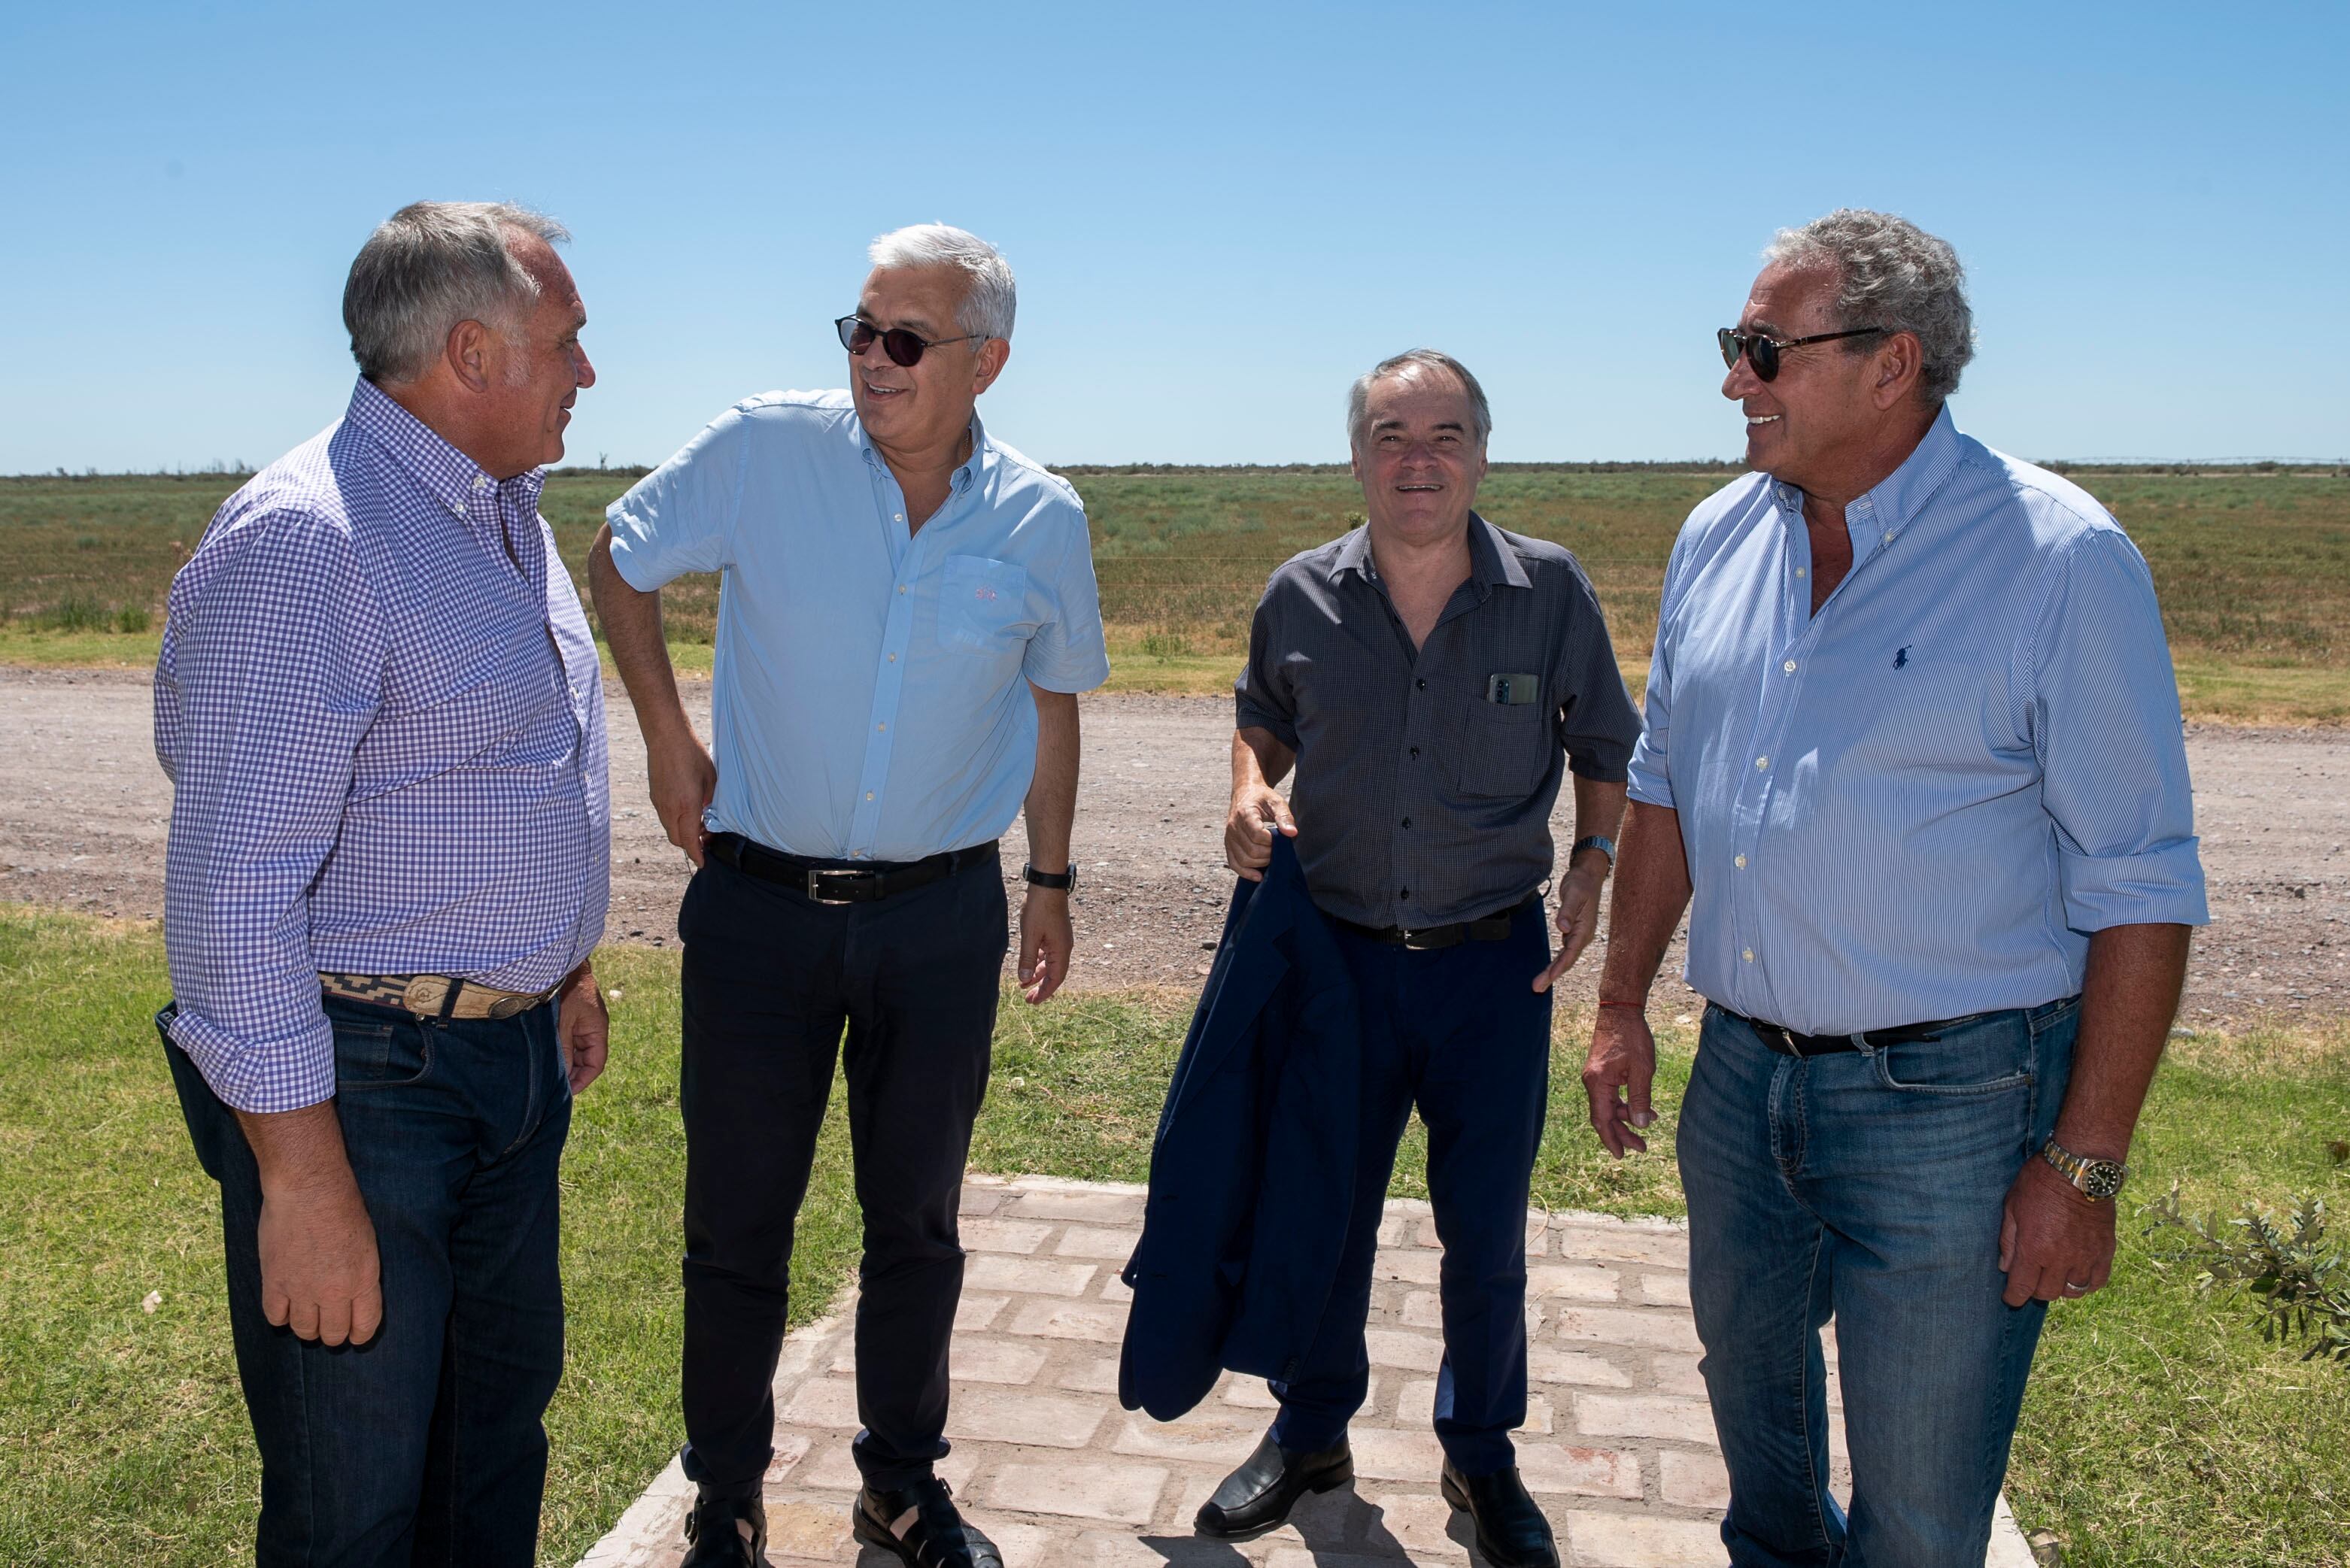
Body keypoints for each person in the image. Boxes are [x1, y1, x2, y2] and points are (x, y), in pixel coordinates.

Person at [1581, 209, 2208, 1567]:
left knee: (1922, 1521)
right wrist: (1622, 997)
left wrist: (2084, 1162)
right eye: (1734, 347)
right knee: (1765, 1473)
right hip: (1743, 1087)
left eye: (1763, 350)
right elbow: (1667, 785)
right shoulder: (1715, 537)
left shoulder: (2059, 558)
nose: (1733, 380)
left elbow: (2144, 881)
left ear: (1891, 364)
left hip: (1960, 1110)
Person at [589, 223, 1107, 1568]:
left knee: (917, 1224)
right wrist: (665, 733)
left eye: (907, 340)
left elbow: (1053, 711)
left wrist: (1048, 877)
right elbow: (622, 555)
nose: (873, 363)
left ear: (986, 360)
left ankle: (900, 1484)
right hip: (757, 915)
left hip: (940, 922)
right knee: (736, 1227)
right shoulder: (767, 449)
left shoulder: (1042, 518)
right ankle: (727, 1501)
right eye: (861, 331)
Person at [154, 199, 609, 1565]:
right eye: (568, 340)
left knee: (488, 1454)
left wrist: (561, 965)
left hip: (509, 1069)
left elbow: (500, 769)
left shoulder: (501, 514)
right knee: (352, 1500)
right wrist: (302, 1180)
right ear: (471, 352)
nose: (589, 371)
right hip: (366, 1090)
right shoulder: (311, 541)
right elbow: (234, 888)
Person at [1203, 350, 1641, 1568]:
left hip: (1491, 968)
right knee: (1323, 1213)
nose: (1419, 458)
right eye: (1393, 434)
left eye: (1446, 433)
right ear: (1356, 456)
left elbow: (1607, 743)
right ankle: (1309, 1434)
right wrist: (1249, 790)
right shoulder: (1301, 594)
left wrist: (1593, 862)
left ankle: (1481, 1452)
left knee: (1484, 1230)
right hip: (1334, 964)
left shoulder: (1549, 593)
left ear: (1482, 453)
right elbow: (1262, 719)